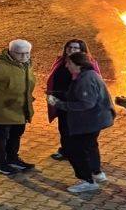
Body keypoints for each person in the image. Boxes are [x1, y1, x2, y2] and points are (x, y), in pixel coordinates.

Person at [46, 51, 116, 194]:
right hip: (96, 121)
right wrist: (61, 94)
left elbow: (85, 104)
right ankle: (96, 173)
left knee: (75, 151)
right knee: (90, 146)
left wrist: (59, 103)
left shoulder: (85, 80)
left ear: (78, 65)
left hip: (89, 122)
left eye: (69, 63)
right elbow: (79, 95)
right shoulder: (88, 75)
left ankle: (87, 181)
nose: (66, 65)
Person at [0, 38, 37, 175]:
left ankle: (12, 158)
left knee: (16, 135)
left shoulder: (27, 65)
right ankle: (0, 163)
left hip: (20, 109)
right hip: (3, 110)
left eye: (27, 53)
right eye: (20, 53)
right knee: (1, 137)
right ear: (11, 52)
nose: (25, 56)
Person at [46, 39, 91, 161]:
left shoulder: (87, 64)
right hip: (60, 101)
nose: (71, 50)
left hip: (75, 102)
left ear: (82, 50)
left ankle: (78, 152)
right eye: (69, 47)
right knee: (63, 128)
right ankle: (66, 150)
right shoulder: (61, 62)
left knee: (76, 129)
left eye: (75, 48)